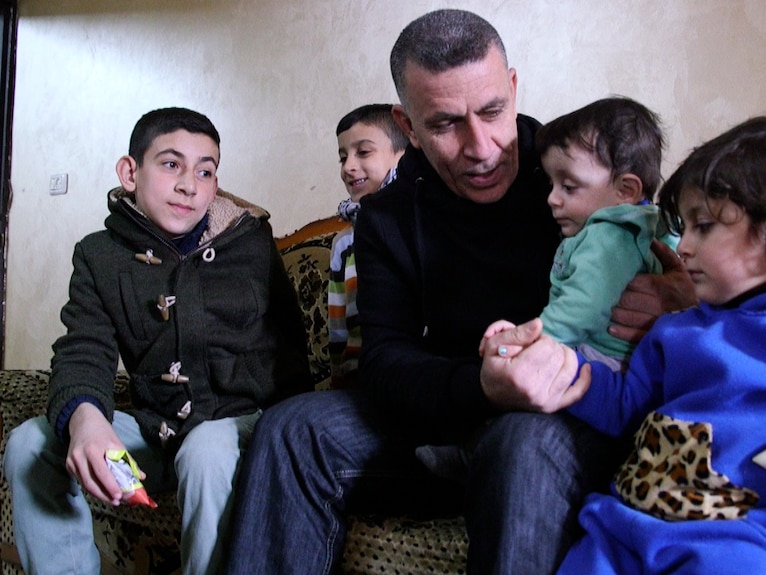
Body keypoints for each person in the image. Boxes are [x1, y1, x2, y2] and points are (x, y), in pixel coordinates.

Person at [226, 10, 694, 575]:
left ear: (514, 88)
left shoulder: (579, 175)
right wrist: (481, 386)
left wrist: (681, 301)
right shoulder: (388, 217)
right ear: (408, 126)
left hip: (565, 419)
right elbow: (384, 360)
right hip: (448, 415)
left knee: (522, 445)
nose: (481, 147)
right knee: (292, 430)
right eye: (446, 124)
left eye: (493, 111)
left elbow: (705, 267)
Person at [543, 111, 766, 573]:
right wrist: (561, 369)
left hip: (734, 540)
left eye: (704, 226)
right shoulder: (678, 328)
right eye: (684, 226)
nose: (683, 247)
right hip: (623, 523)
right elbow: (624, 406)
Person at [3, 107, 312, 575]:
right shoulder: (99, 255)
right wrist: (85, 417)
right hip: (158, 435)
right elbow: (84, 347)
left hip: (239, 432)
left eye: (205, 171)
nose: (190, 184)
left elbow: (292, 359)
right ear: (130, 172)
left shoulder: (248, 243)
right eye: (171, 165)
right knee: (29, 444)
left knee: (207, 448)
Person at [535, 96, 673, 370]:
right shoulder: (650, 225)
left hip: (605, 360)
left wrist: (535, 342)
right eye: (552, 184)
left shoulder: (610, 234)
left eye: (569, 187)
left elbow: (582, 306)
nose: (552, 198)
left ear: (626, 191)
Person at [329, 103, 407, 388]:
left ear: (403, 155)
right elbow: (337, 332)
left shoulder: (414, 224)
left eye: (363, 152)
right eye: (342, 157)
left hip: (408, 375)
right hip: (358, 380)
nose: (349, 166)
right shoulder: (343, 244)